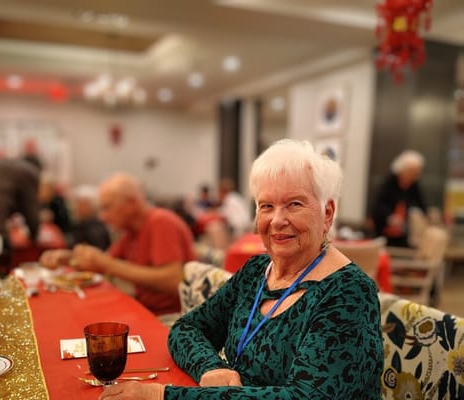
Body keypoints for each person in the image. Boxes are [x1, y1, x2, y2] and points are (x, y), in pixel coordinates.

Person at [99, 139, 383, 399]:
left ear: (327, 213)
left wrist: (161, 396)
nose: (277, 220)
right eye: (266, 205)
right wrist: (210, 368)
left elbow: (304, 397)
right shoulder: (257, 271)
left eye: (294, 204)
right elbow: (187, 327)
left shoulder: (348, 292)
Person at [39, 172, 196, 318]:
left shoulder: (160, 222)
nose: (102, 216)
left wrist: (107, 264)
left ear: (131, 203)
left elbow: (174, 281)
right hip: (145, 308)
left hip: (173, 318)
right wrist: (66, 258)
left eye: (107, 207)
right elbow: (101, 263)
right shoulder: (131, 231)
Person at [371, 150, 426, 247]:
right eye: (412, 172)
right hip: (385, 232)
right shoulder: (389, 183)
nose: (414, 176)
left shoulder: (414, 186)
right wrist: (390, 217)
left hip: (406, 234)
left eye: (416, 172)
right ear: (402, 170)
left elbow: (421, 205)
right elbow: (378, 206)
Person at [0, 156, 40, 275]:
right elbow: (31, 211)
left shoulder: (7, 166)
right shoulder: (29, 172)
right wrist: (34, 236)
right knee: (2, 278)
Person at [67, 185, 111, 250]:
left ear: (92, 206)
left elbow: (98, 252)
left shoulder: (97, 228)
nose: (77, 208)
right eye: (77, 204)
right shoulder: (80, 224)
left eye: (81, 205)